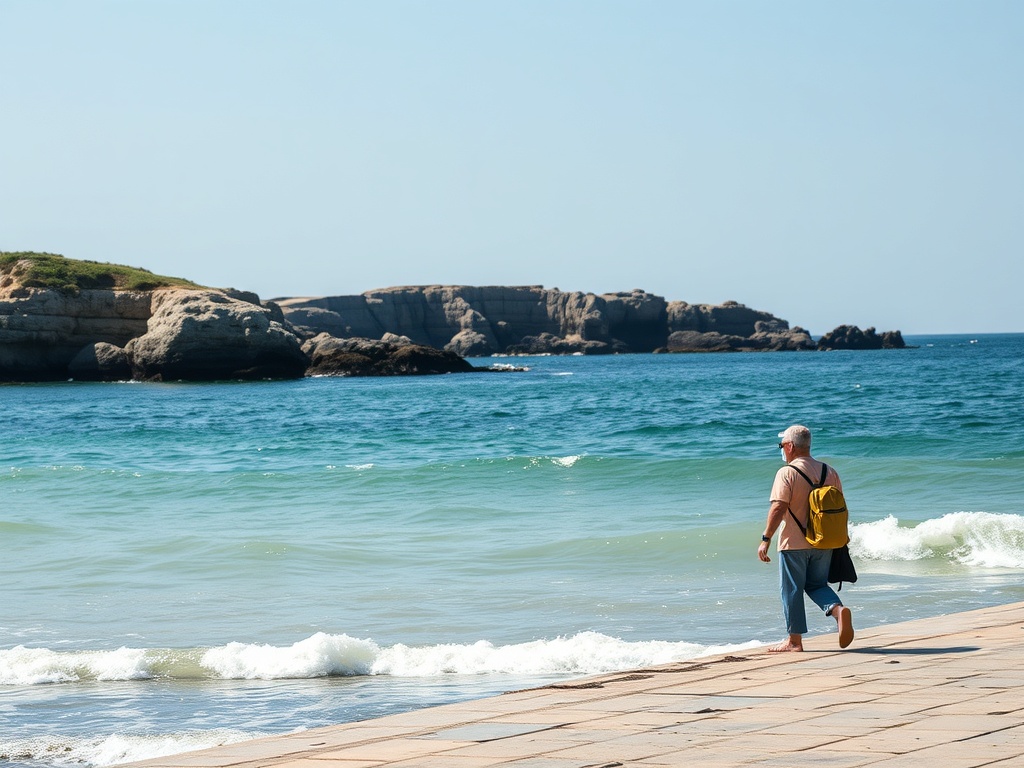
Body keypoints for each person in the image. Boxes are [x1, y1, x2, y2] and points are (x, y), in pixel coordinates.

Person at [757, 424, 854, 652]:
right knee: (816, 584)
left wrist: (766, 538)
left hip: (793, 543)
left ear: (790, 446)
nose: (781, 449)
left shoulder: (787, 473)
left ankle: (794, 641)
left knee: (791, 590)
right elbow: (840, 508)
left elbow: (778, 507)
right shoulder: (829, 471)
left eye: (781, 445)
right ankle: (838, 612)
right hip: (825, 542)